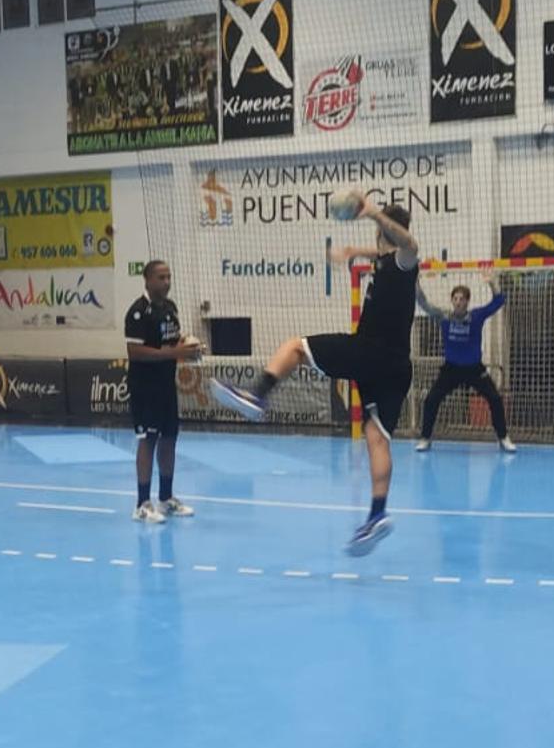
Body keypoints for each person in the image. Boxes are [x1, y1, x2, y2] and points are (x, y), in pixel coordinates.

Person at [210, 195, 419, 555]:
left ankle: (257, 394)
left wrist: (372, 212)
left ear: (386, 229)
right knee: (376, 437)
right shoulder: (387, 261)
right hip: (397, 366)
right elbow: (382, 249)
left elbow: (408, 243)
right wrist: (354, 250)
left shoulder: (404, 259)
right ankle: (378, 514)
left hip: (369, 351)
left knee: (295, 347)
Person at [124, 259, 201, 524]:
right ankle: (142, 504)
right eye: (161, 277)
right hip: (145, 388)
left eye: (169, 277)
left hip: (167, 386)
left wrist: (187, 347)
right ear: (147, 280)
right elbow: (135, 351)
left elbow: (171, 343)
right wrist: (174, 352)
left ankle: (166, 498)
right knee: (148, 440)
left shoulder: (170, 308)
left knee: (169, 439)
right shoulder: (138, 312)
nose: (166, 282)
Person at [414, 276, 516, 453]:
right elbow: (423, 303)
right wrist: (415, 281)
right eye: (455, 298)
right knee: (431, 400)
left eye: (462, 299)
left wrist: (493, 283)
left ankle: (503, 438)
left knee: (494, 399)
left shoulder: (476, 316)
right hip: (451, 369)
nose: (458, 302)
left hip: (474, 369)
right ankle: (425, 438)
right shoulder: (444, 317)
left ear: (467, 301)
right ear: (452, 301)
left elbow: (499, 301)